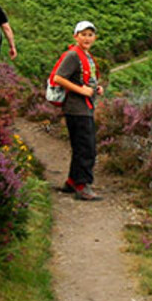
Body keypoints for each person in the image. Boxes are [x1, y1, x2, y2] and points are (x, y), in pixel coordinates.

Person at [51, 21, 102, 201]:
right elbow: (59, 77)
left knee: (81, 146)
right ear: (76, 36)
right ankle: (83, 185)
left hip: (83, 107)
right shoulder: (73, 55)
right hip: (77, 108)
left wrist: (96, 88)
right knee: (86, 148)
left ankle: (72, 181)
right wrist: (82, 90)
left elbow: (85, 79)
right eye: (83, 34)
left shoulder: (85, 56)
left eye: (90, 34)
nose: (87, 38)